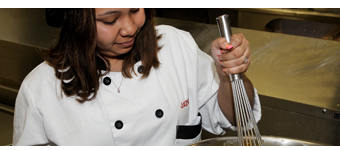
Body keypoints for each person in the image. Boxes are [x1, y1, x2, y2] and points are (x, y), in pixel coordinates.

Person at [13, 8, 261, 146]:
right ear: (76, 20)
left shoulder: (176, 46)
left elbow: (238, 118)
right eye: (110, 20)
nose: (130, 28)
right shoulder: (41, 89)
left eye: (135, 9)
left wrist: (229, 75)